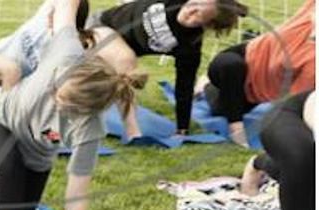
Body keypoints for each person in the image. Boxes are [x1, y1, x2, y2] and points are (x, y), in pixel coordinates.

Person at [0, 0, 147, 210]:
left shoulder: (89, 131)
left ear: (84, 111)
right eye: (56, 88)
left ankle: (0, 194)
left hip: (37, 157)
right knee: (10, 168)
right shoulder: (66, 51)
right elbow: (68, 6)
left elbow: (77, 197)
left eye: (61, 100)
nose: (52, 95)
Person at [93, 0, 247, 139]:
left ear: (207, 25)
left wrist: (182, 129)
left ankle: (132, 132)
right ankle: (133, 132)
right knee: (125, 60)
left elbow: (184, 88)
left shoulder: (188, 47)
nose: (190, 11)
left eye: (198, 14)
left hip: (109, 50)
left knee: (121, 66)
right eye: (193, 4)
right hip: (98, 25)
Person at [206, 0, 314, 147]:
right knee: (231, 66)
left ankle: (206, 88)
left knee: (221, 109)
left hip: (253, 94)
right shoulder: (307, 16)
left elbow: (298, 101)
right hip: (241, 57)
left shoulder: (313, 63)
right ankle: (235, 128)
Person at [0, 0, 91, 91]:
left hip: (21, 87)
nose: (49, 15)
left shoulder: (67, 48)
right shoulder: (43, 16)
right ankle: (2, 113)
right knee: (12, 70)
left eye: (54, 13)